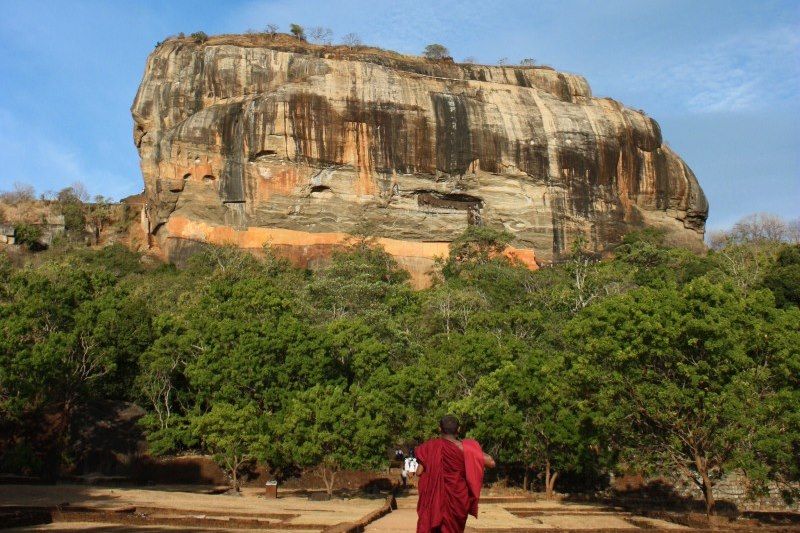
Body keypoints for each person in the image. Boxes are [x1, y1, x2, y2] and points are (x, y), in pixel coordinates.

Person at [415, 415, 495, 533]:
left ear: (439, 428)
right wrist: (472, 450)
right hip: (457, 500)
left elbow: (419, 472)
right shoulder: (465, 448)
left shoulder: (429, 447)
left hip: (434, 502)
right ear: (458, 429)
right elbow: (491, 462)